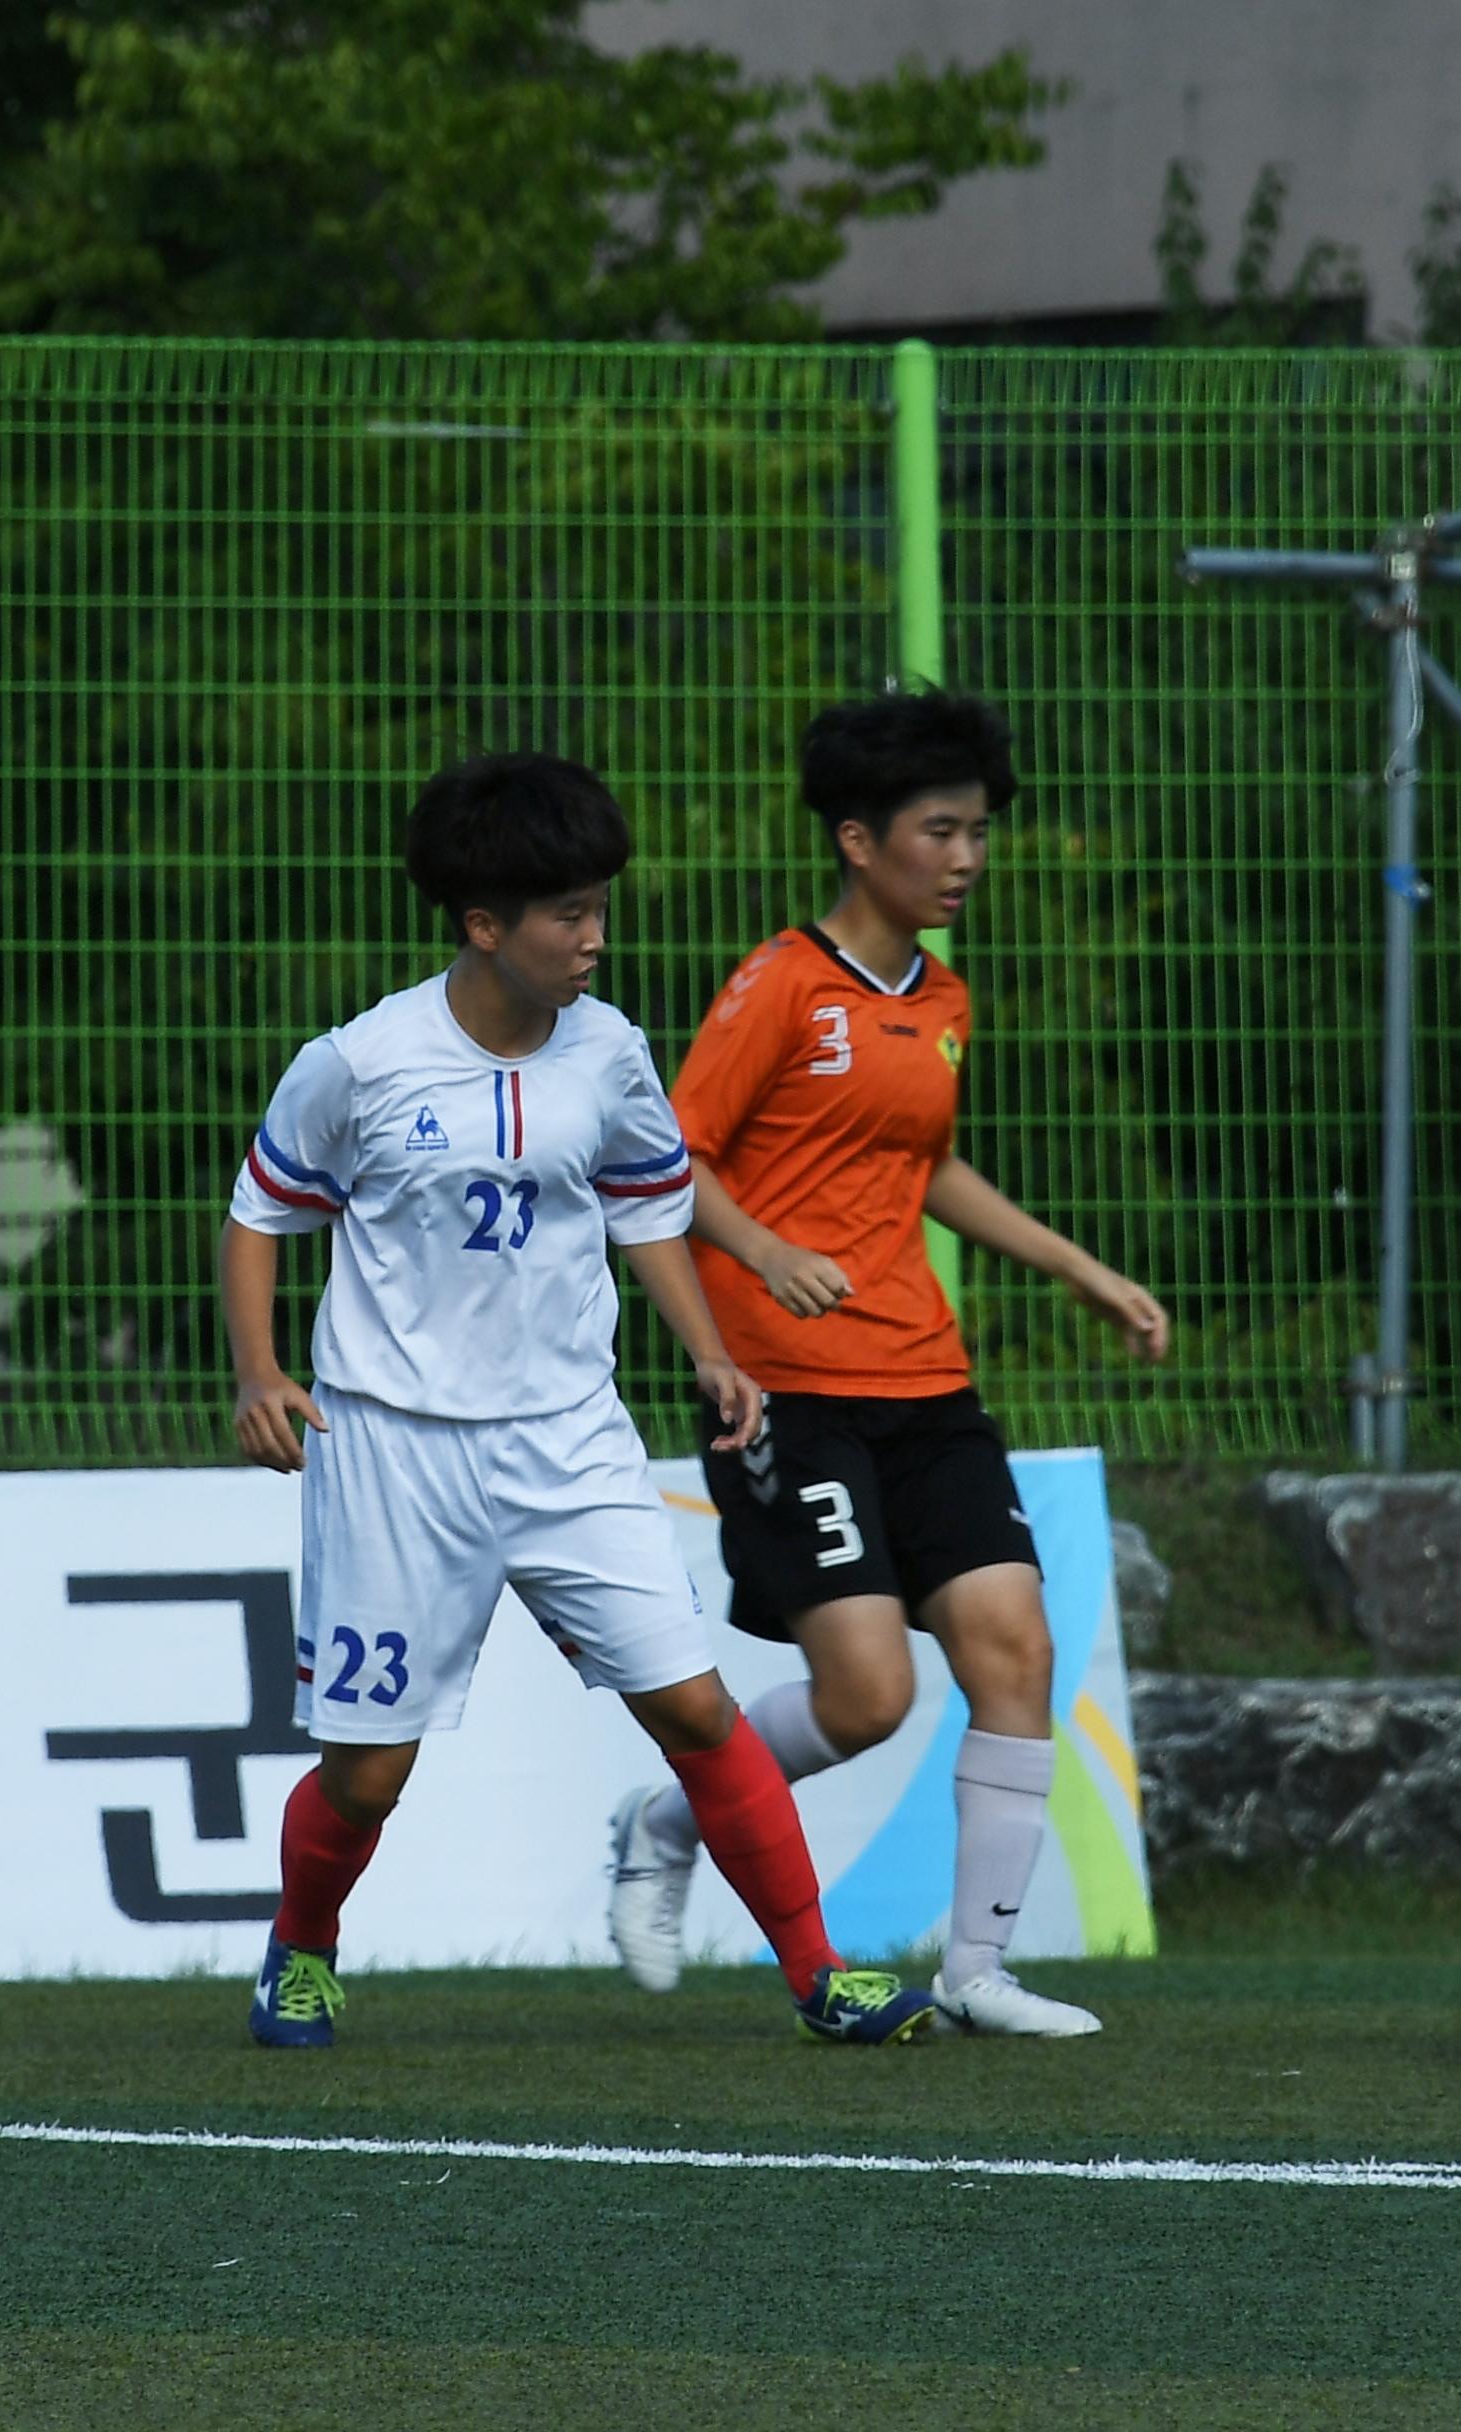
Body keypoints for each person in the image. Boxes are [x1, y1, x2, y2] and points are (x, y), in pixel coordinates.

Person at [222, 751, 937, 2051]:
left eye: (601, 906)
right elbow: (260, 1209)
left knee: (696, 1707)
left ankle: (820, 1976)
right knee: (369, 1773)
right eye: (568, 915)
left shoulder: (607, 1052)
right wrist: (261, 1377)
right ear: (483, 926)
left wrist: (711, 1351)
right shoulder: (361, 1062)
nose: (595, 937)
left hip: (570, 1438)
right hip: (395, 1448)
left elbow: (648, 1208)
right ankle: (303, 1948)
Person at [601, 689, 1170, 2038]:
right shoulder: (782, 982)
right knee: (868, 1696)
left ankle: (977, 1973)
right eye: (942, 831)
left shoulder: (946, 995)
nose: (968, 857)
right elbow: (671, 1158)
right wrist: (765, 1247)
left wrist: (1081, 1269)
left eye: (979, 832)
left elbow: (924, 1168)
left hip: (927, 1382)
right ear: (860, 841)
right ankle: (668, 1819)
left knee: (1014, 1648)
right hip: (788, 1392)